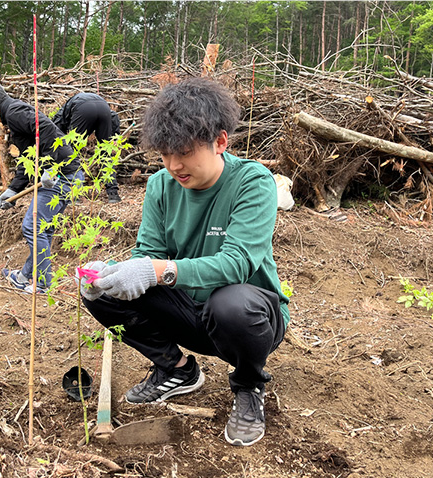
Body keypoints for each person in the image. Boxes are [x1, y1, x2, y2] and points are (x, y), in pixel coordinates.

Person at [79, 78, 290, 447]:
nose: (174, 165)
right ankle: (177, 370)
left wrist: (158, 271)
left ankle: (248, 385)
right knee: (104, 292)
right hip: (189, 311)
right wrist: (113, 274)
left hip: (246, 320)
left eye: (185, 152)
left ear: (220, 142)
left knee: (232, 303)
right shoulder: (161, 185)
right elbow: (148, 254)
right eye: (164, 154)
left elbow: (236, 263)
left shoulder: (252, 182)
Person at [0, 80, 83, 294]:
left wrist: (51, 166)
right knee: (43, 229)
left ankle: (42, 284)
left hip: (62, 176)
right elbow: (29, 160)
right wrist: (13, 190)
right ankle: (24, 276)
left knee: (33, 227)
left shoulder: (15, 112)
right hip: (68, 174)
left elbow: (47, 130)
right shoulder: (13, 114)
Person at [52, 92, 122, 203]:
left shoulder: (62, 115)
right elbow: (113, 116)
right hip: (104, 107)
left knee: (71, 153)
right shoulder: (71, 106)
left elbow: (55, 132)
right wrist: (115, 134)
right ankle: (113, 194)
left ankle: (74, 195)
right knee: (105, 151)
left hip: (83, 109)